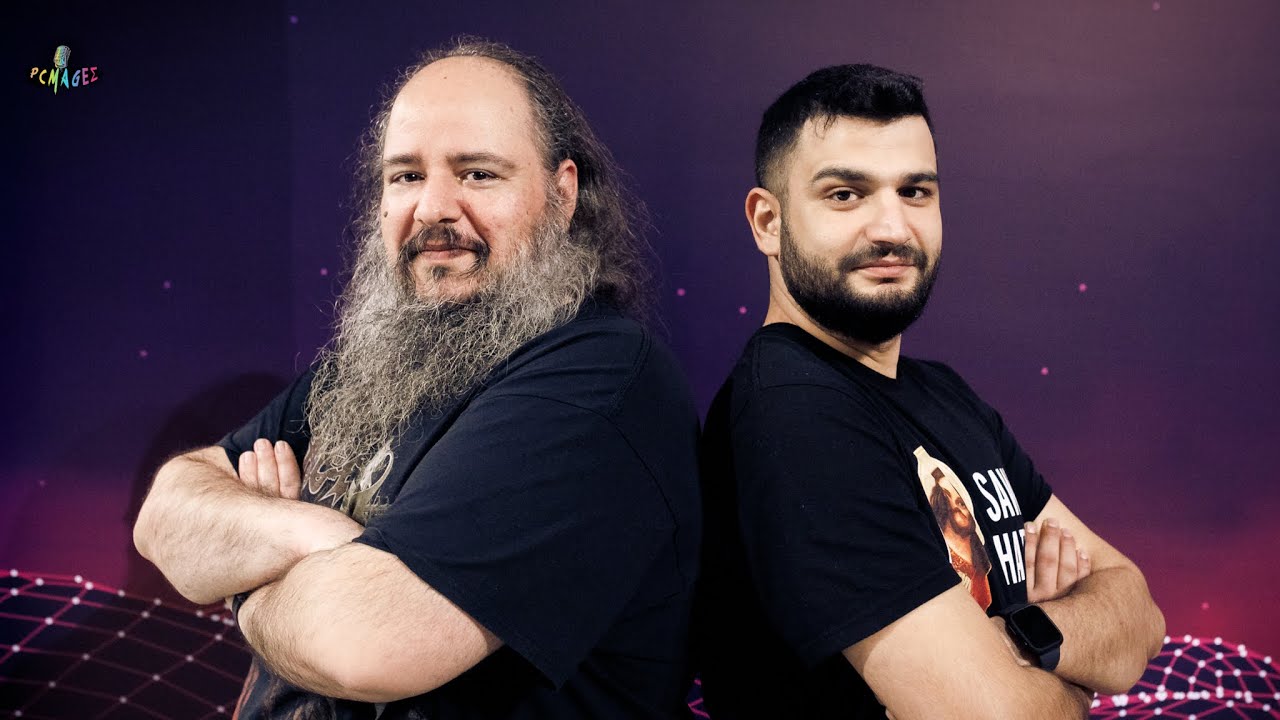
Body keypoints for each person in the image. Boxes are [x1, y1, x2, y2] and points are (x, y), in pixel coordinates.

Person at [133, 38, 701, 719]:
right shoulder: (378, 362)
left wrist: (244, 585)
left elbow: (361, 646)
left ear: (562, 194)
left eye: (478, 174)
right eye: (405, 176)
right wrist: (319, 539)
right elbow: (166, 514)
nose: (433, 208)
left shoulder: (600, 382)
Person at [695, 64, 1165, 719]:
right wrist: (1077, 681)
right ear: (768, 222)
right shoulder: (796, 412)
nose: (892, 229)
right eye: (845, 195)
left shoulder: (942, 394)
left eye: (914, 191)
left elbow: (1139, 612)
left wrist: (1024, 637)